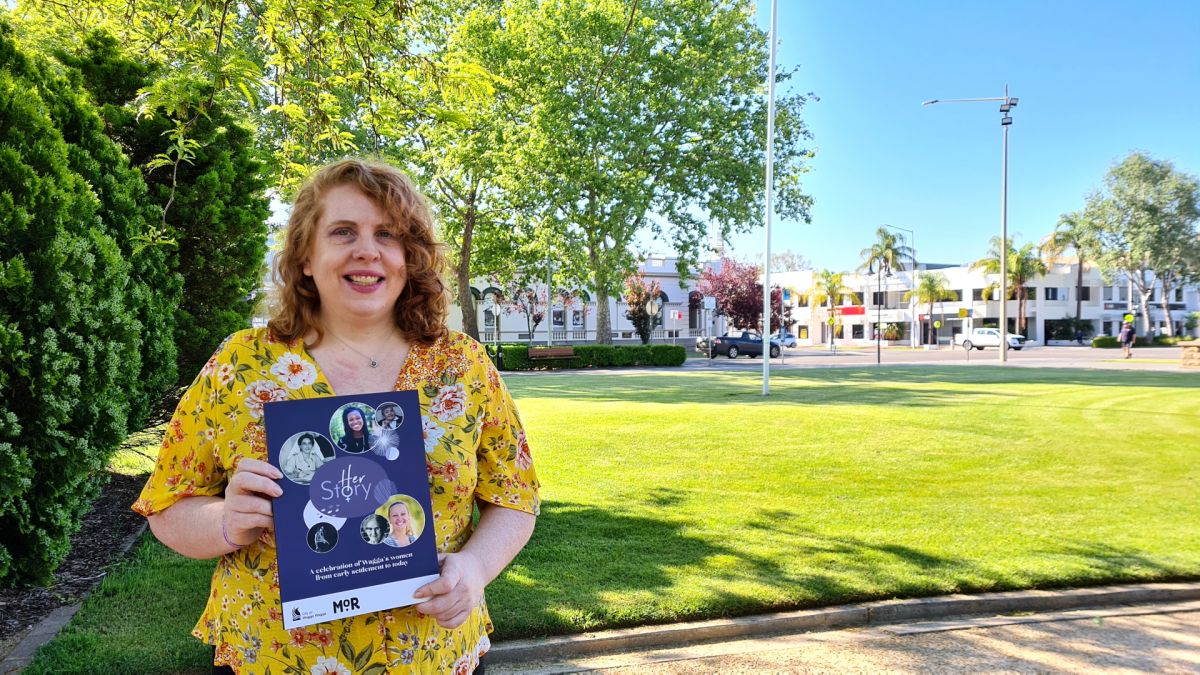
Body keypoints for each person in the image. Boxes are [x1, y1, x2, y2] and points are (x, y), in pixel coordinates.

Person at [132, 159, 540, 674]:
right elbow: (168, 504)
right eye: (343, 231)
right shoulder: (242, 365)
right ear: (306, 256)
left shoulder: (462, 366)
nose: (367, 250)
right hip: (276, 659)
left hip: (433, 656)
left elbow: (516, 496)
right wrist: (225, 522)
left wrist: (475, 569)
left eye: (387, 235)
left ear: (409, 257)